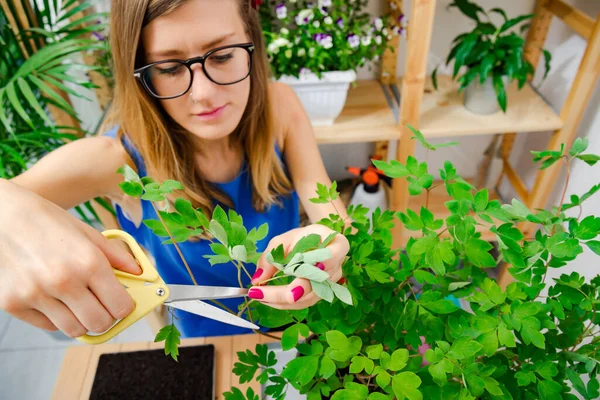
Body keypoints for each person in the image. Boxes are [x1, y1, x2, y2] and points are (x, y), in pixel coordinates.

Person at [0, 0, 349, 339]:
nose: (204, 93)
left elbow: (334, 218)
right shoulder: (116, 159)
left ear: (252, 41)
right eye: (169, 68)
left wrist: (332, 244)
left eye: (223, 56)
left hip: (301, 332)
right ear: (139, 72)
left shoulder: (282, 107)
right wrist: (14, 216)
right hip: (205, 350)